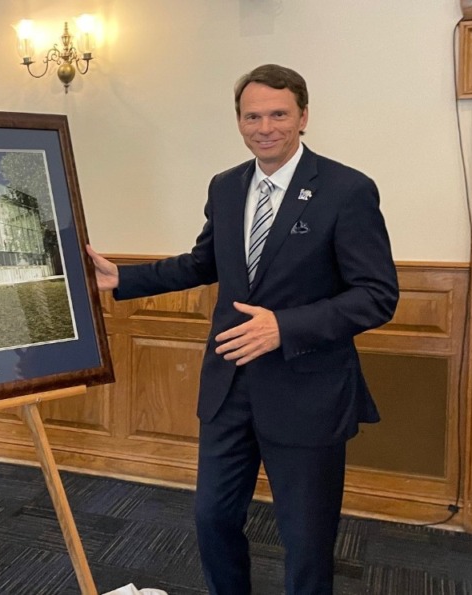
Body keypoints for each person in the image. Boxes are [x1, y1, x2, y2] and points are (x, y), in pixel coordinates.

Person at [87, 64, 398, 594]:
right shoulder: (227, 186)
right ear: (238, 121)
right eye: (253, 116)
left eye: (279, 114)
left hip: (308, 392)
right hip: (229, 387)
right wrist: (125, 278)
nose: (266, 126)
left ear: (303, 117)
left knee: (306, 540)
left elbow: (377, 295)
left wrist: (285, 326)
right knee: (212, 520)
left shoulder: (347, 190)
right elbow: (203, 262)